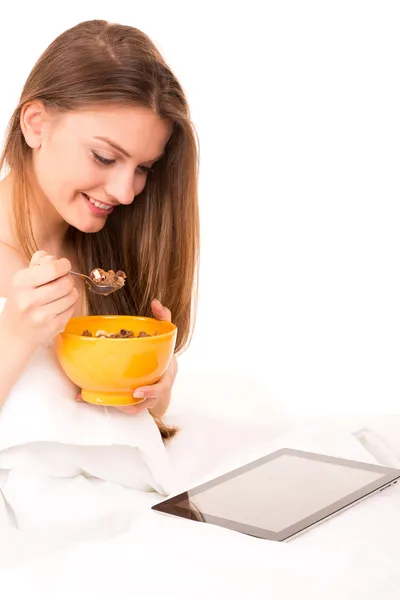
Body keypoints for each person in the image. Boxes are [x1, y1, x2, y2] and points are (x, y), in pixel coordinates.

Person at [0, 19, 199, 440]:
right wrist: (14, 337)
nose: (126, 193)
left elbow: (133, 423)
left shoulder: (110, 254)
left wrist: (155, 385)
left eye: (144, 167)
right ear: (36, 124)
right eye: (105, 157)